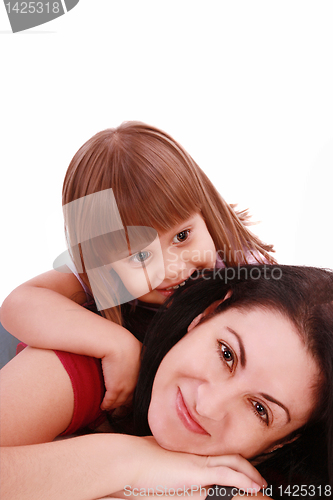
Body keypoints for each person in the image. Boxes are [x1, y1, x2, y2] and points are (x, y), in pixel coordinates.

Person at [0, 121, 275, 410]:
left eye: (182, 236)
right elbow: (17, 304)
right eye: (140, 257)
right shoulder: (101, 269)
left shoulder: (246, 271)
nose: (172, 269)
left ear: (204, 210)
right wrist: (117, 344)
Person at [1, 265, 332, 500]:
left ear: (283, 442)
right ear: (205, 314)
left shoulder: (278, 480)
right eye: (227, 355)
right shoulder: (87, 363)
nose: (207, 405)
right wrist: (127, 462)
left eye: (260, 409)